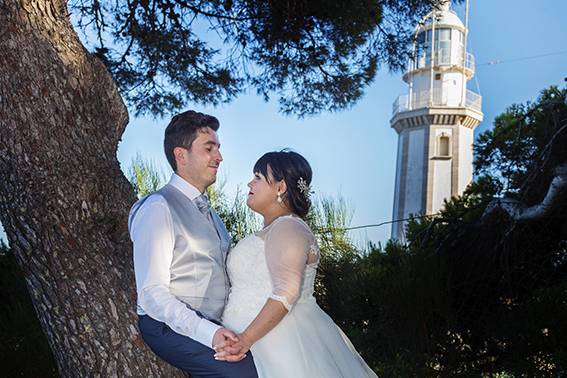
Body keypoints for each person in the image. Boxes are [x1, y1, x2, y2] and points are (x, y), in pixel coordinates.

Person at [217, 150, 378, 377]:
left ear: (280, 188)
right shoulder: (276, 228)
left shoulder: (288, 228)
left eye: (258, 177)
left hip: (277, 342)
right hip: (261, 342)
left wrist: (245, 340)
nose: (249, 182)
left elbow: (286, 292)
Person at [128, 110, 258, 377]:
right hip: (167, 325)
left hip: (215, 323)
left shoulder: (214, 216)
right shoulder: (157, 207)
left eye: (218, 149)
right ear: (181, 155)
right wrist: (209, 333)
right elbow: (152, 294)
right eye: (209, 148)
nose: (219, 157)